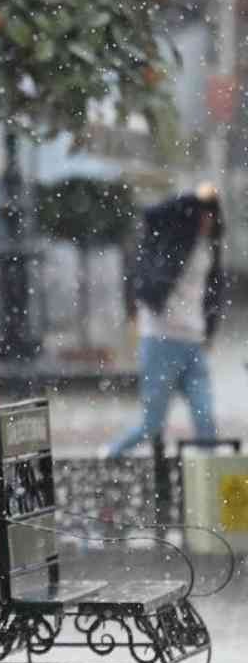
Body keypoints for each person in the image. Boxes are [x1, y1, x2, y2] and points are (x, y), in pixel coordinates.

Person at [105, 185, 228, 458]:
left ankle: (210, 488)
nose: (208, 220)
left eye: (212, 215)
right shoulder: (172, 238)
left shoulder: (210, 247)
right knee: (152, 425)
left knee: (206, 419)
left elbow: (213, 294)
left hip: (193, 343)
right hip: (161, 340)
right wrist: (194, 195)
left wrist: (209, 332)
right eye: (203, 214)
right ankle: (108, 456)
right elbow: (152, 213)